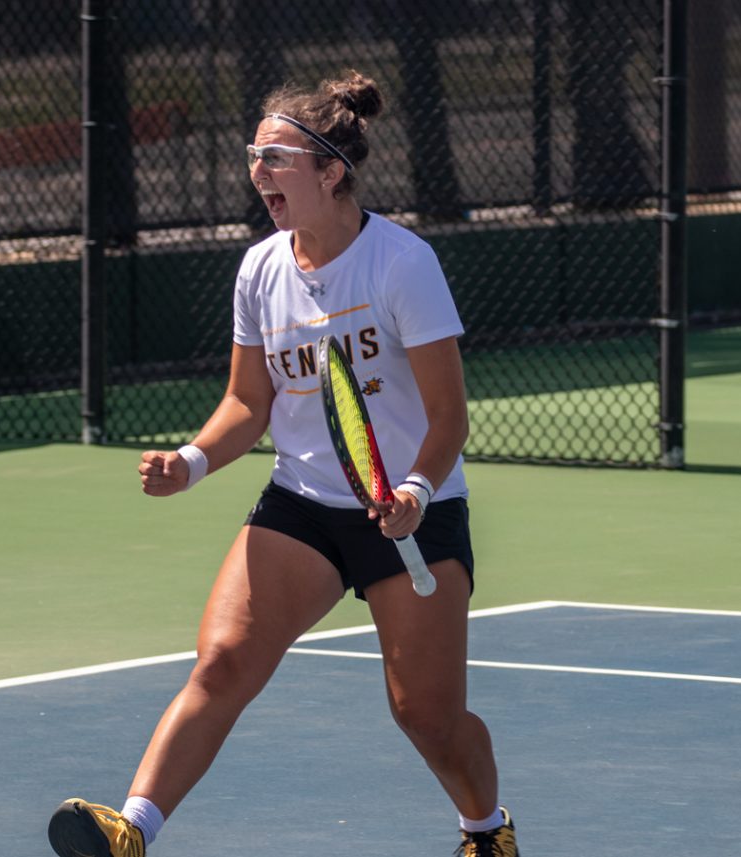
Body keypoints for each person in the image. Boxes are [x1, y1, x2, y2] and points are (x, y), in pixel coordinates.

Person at [46, 69, 518, 857]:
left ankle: (486, 831)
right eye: (253, 156)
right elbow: (247, 403)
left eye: (275, 158)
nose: (257, 172)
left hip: (411, 512)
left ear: (331, 171)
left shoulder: (402, 265)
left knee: (426, 715)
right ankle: (131, 829)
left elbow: (450, 416)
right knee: (223, 660)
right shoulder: (261, 270)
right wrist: (190, 462)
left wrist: (414, 489)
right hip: (301, 504)